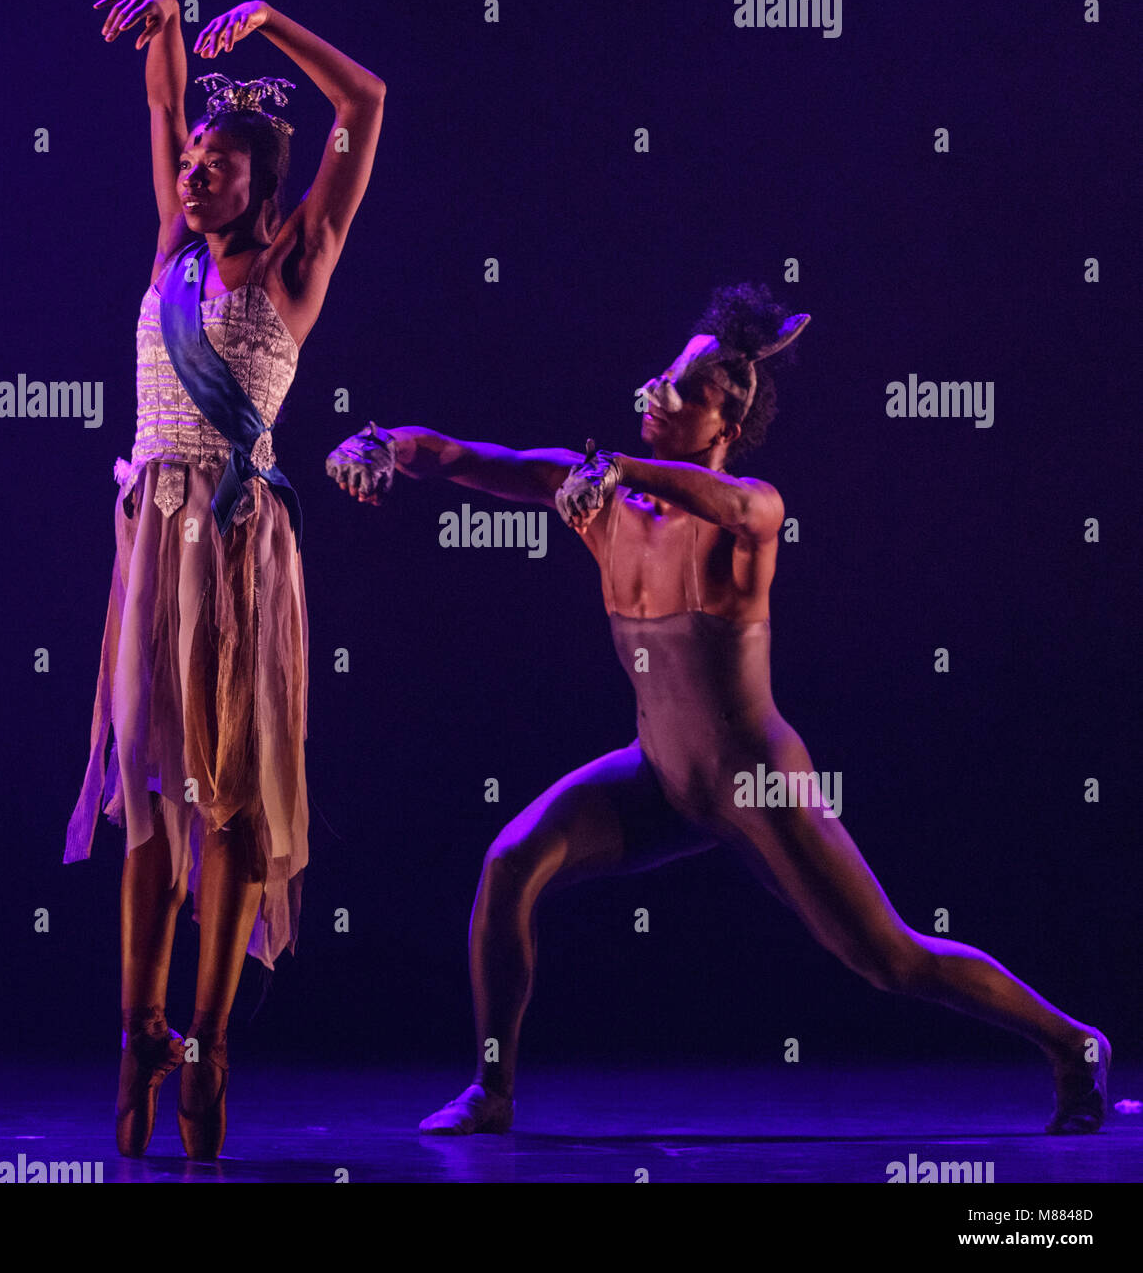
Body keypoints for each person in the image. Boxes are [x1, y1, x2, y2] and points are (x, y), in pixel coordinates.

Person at [325, 283, 1110, 1138]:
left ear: (724, 427)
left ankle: (1075, 1046)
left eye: (683, 387)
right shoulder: (600, 500)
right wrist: (379, 444)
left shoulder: (752, 513)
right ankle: (493, 1090)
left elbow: (734, 503)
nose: (657, 390)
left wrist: (619, 468)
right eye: (665, 373)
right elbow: (464, 458)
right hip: (661, 780)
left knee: (888, 959)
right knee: (511, 859)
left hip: (757, 785)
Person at [65, 0, 384, 1159]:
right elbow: (158, 106)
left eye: (216, 163)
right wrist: (167, 26)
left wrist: (269, 25)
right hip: (151, 542)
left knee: (231, 794)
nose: (194, 173)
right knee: (150, 786)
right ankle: (138, 1029)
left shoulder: (300, 260)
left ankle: (206, 1041)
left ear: (266, 185)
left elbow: (366, 100)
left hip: (239, 547)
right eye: (190, 158)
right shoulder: (168, 252)